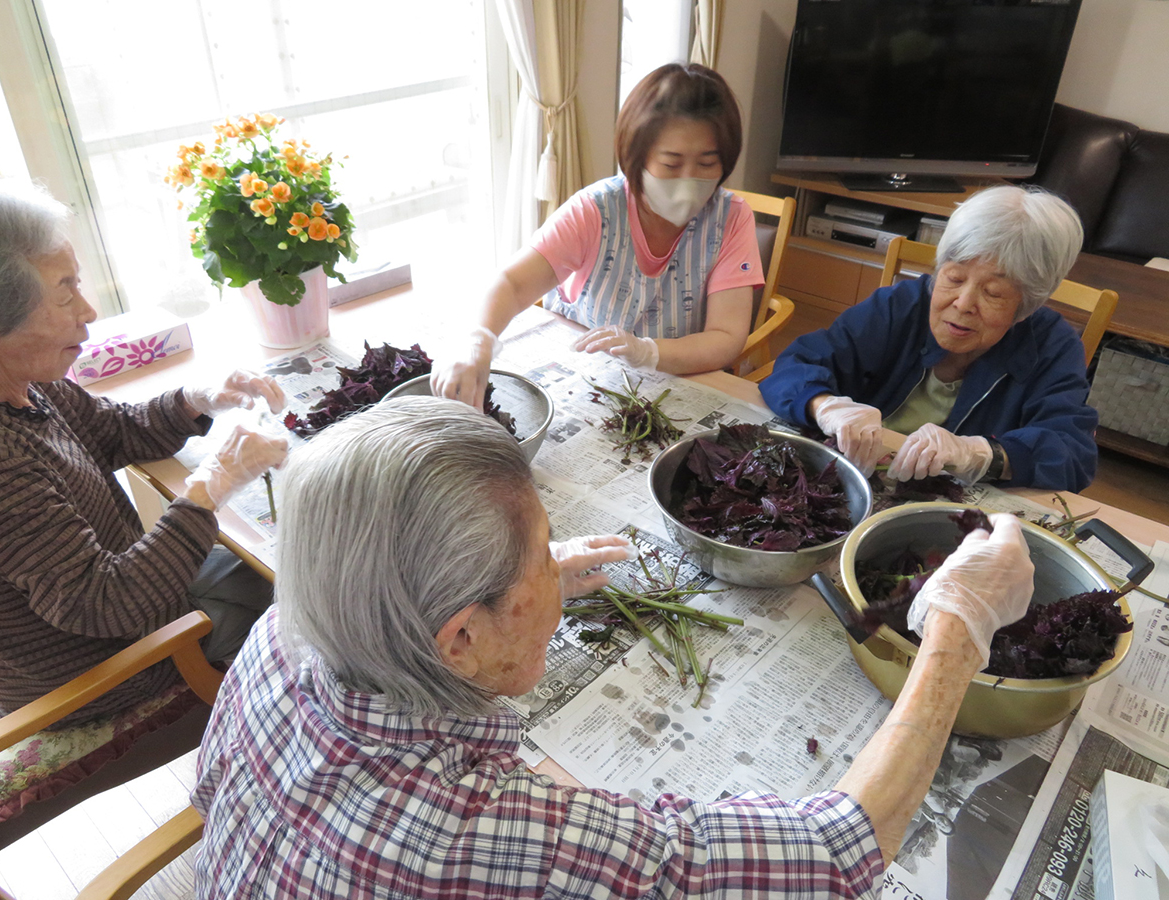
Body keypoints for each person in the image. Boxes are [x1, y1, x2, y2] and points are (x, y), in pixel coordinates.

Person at [193, 396, 1034, 899]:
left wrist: (519, 585)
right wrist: (956, 627)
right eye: (543, 547)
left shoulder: (291, 627)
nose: (554, 564)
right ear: (458, 637)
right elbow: (831, 853)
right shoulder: (487, 832)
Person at [0, 187, 287, 725]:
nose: (89, 312)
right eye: (65, 294)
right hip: (99, 671)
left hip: (134, 604)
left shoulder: (19, 380)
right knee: (320, 596)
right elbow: (105, 603)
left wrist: (198, 398)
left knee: (288, 560)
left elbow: (112, 431)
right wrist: (215, 480)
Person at [434, 62, 765, 409]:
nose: (688, 180)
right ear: (636, 157)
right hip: (588, 388)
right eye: (671, 164)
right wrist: (478, 338)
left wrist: (647, 351)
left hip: (676, 388)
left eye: (707, 164)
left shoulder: (731, 218)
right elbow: (513, 283)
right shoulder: (596, 211)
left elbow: (725, 337)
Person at [760, 185, 1098, 492]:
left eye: (993, 293)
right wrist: (825, 407)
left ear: (1026, 306)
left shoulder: (1053, 346)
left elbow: (1073, 452)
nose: (963, 304)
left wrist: (979, 453)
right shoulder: (898, 307)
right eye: (953, 277)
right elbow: (795, 365)